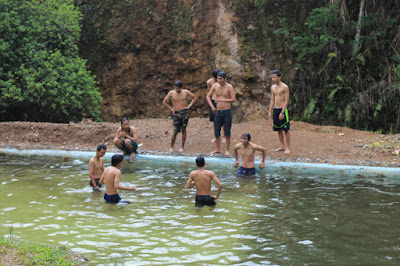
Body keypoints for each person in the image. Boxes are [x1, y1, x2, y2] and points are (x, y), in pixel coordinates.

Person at [206, 71, 236, 156]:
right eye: (218, 78)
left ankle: (227, 149)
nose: (219, 80)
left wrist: (222, 100)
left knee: (227, 130)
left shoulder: (229, 87)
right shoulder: (215, 86)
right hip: (218, 110)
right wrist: (212, 106)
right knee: (216, 130)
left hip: (227, 110)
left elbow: (233, 99)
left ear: (225, 79)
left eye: (220, 79)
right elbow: (208, 96)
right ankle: (218, 148)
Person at [162, 80, 197, 152]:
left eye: (178, 88)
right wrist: (171, 109)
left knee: (184, 129)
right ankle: (171, 147)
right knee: (175, 131)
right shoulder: (171, 93)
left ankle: (182, 146)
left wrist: (190, 105)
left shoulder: (185, 92)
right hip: (176, 113)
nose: (177, 90)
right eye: (176, 88)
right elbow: (164, 102)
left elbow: (194, 97)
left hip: (184, 112)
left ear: (181, 87)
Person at [268, 70, 291, 155]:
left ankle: (288, 147)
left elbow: (286, 100)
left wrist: (282, 112)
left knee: (286, 129)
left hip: (282, 109)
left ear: (279, 77)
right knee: (278, 129)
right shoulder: (273, 87)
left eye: (274, 77)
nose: (273, 79)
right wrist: (270, 111)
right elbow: (272, 100)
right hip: (275, 109)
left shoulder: (285, 87)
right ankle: (282, 145)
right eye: (272, 77)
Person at [207, 69, 226, 144]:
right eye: (216, 78)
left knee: (224, 119)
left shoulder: (222, 81)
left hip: (221, 100)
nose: (217, 80)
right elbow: (209, 92)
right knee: (215, 120)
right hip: (213, 100)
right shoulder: (209, 82)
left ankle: (224, 136)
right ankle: (216, 136)